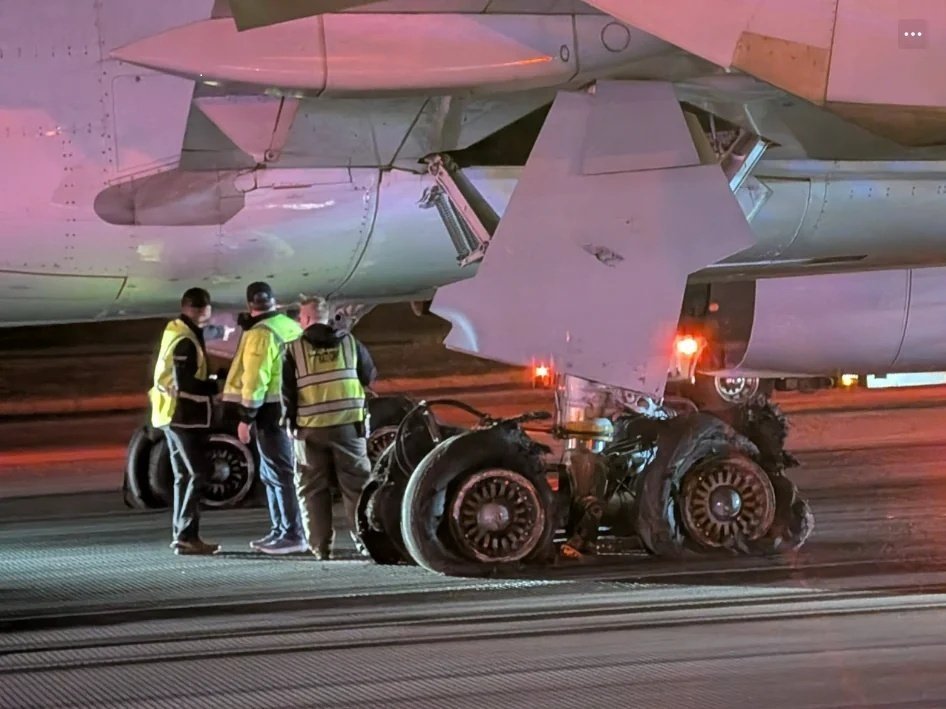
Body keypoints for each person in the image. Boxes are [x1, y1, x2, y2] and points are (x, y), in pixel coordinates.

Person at [283, 295, 378, 560]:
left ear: (306, 319)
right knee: (357, 487)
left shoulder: (293, 350)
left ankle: (321, 548)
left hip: (310, 431)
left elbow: (287, 394)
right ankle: (367, 542)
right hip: (348, 427)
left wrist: (290, 424)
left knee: (312, 490)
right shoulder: (349, 342)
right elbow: (369, 376)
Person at [222, 281, 305, 555]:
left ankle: (291, 533)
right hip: (291, 407)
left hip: (270, 412)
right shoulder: (290, 326)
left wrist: (246, 417)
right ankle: (282, 530)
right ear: (274, 300)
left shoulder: (261, 333)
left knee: (278, 473)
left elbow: (255, 379)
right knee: (279, 472)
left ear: (249, 305)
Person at [149, 287, 220, 555]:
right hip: (184, 416)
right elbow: (185, 381)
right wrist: (213, 388)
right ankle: (187, 535)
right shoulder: (186, 340)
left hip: (170, 413)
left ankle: (181, 535)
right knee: (198, 473)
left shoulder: (176, 330)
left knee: (183, 475)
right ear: (204, 310)